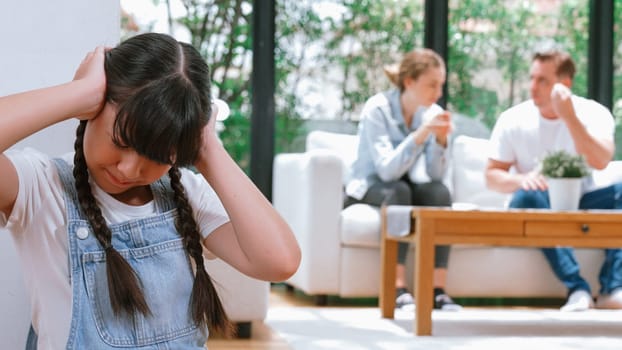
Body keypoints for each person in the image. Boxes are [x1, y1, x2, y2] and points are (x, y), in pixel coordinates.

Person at [0, 32, 301, 349]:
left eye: (158, 156)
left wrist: (209, 149)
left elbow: (279, 262)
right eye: (121, 142)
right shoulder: (41, 187)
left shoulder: (187, 195)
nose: (129, 169)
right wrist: (79, 93)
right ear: (93, 110)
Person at [485, 49, 622, 312]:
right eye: (532, 78)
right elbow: (492, 176)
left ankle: (613, 288)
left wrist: (568, 117)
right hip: (535, 201)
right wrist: (522, 180)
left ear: (564, 84)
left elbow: (601, 160)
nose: (533, 87)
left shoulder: (593, 113)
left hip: (581, 201)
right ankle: (577, 288)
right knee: (527, 197)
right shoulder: (513, 118)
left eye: (543, 81)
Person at [344, 48, 461, 311]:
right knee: (398, 192)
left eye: (440, 85)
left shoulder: (429, 113)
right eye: (432, 85)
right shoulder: (378, 109)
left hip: (405, 184)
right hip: (369, 186)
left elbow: (434, 175)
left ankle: (437, 290)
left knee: (439, 193)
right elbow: (386, 171)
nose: (438, 93)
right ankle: (397, 288)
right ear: (409, 82)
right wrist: (421, 134)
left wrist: (441, 141)